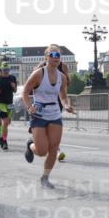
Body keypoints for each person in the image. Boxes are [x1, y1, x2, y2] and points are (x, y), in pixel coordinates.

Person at [21, 45, 75, 189]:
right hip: (38, 114)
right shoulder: (39, 74)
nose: (55, 58)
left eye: (58, 56)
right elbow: (25, 92)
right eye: (52, 55)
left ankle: (45, 178)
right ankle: (30, 145)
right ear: (46, 57)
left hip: (55, 114)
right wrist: (29, 106)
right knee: (41, 151)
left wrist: (67, 105)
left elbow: (63, 96)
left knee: (53, 148)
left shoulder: (62, 77)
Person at [0, 65, 18, 149]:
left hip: (9, 103)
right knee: (5, 122)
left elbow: (15, 90)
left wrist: (14, 87)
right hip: (0, 104)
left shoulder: (12, 78)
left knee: (7, 123)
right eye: (5, 69)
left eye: (8, 69)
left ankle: (1, 138)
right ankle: (4, 141)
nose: (6, 71)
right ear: (1, 70)